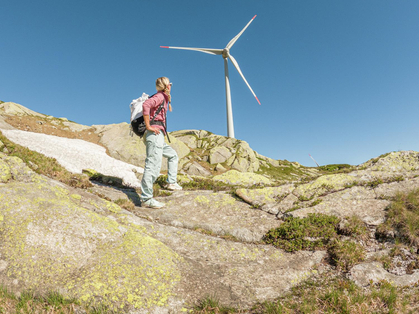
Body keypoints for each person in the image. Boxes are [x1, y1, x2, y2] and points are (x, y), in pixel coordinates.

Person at [140, 77, 182, 208]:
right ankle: (146, 199)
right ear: (166, 86)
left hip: (158, 135)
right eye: (170, 83)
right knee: (153, 165)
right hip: (154, 134)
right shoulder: (159, 96)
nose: (171, 85)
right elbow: (146, 105)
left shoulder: (163, 97)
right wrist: (148, 126)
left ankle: (171, 182)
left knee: (173, 155)